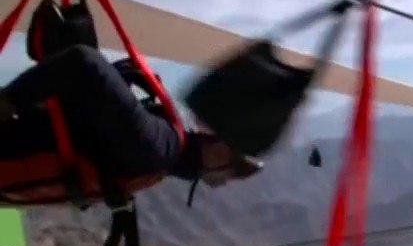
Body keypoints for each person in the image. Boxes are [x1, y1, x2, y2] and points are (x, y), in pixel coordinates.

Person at [0, 44, 263, 198]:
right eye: (223, 178)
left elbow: (84, 62)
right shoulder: (155, 164)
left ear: (220, 151)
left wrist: (8, 100)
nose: (217, 181)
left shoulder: (158, 146)